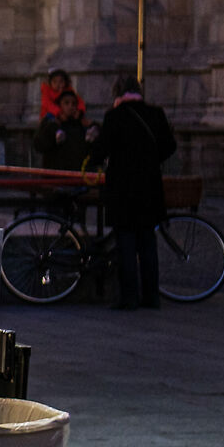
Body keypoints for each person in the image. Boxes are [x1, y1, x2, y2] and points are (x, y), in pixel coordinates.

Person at [84, 75, 177, 310]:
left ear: (117, 93)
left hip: (122, 187)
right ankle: (151, 296)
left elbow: (101, 149)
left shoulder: (114, 116)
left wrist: (93, 157)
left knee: (125, 241)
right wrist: (151, 160)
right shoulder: (156, 113)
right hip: (149, 186)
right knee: (147, 241)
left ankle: (129, 297)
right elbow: (169, 146)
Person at [34, 88, 95, 171]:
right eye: (66, 103)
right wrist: (52, 128)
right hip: (55, 176)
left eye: (74, 104)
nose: (71, 107)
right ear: (59, 105)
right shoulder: (51, 123)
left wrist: (92, 126)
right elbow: (39, 145)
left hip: (76, 176)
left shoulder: (80, 125)